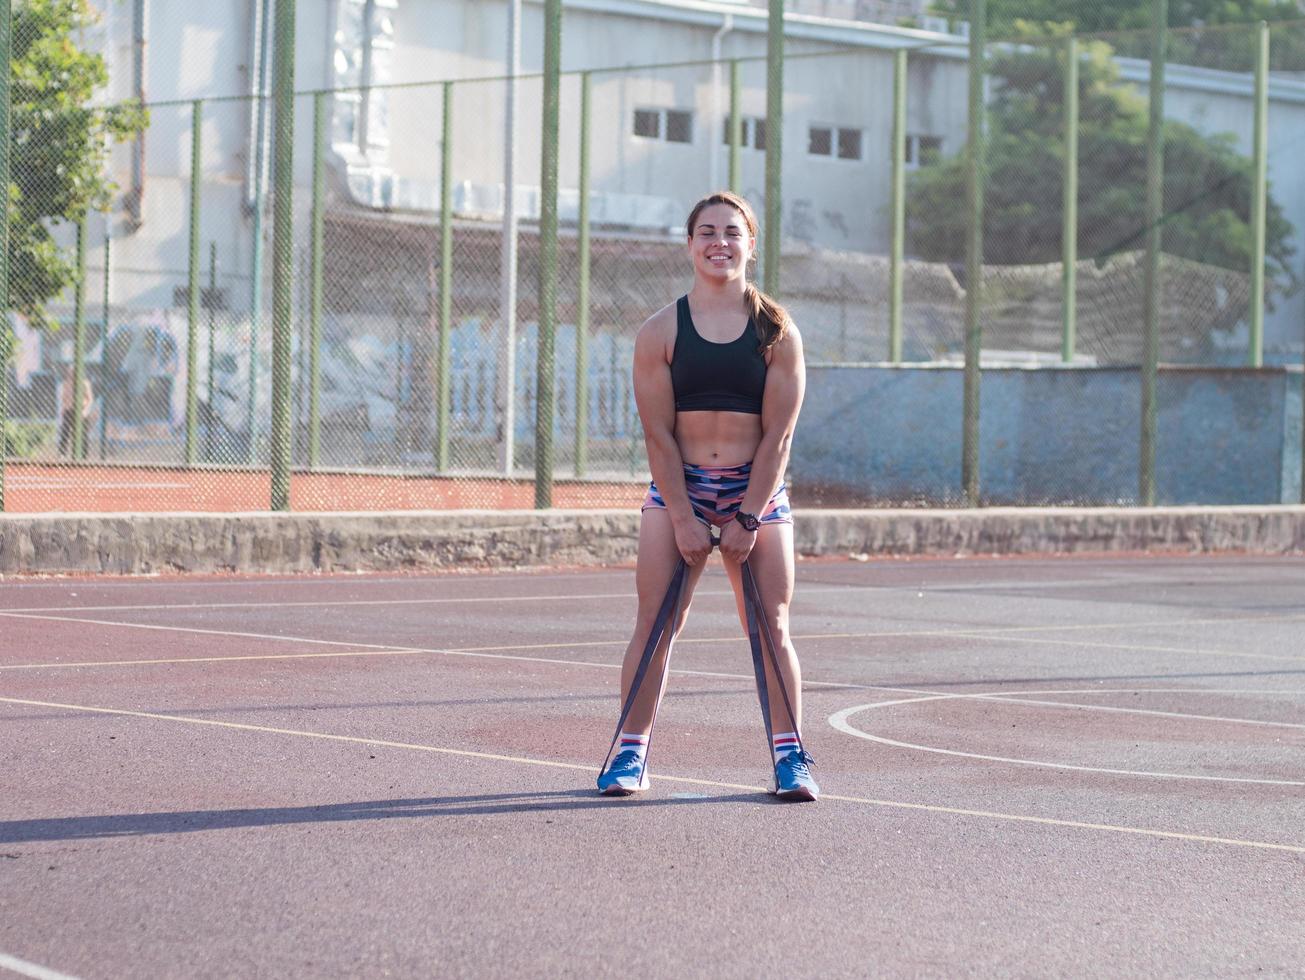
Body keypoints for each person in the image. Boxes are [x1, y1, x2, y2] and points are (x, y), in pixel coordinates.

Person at [596, 191, 817, 802]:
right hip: (680, 492)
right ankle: (629, 754)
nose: (720, 243)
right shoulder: (659, 331)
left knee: (770, 627)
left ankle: (790, 758)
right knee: (655, 624)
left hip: (757, 491)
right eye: (707, 232)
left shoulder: (778, 330)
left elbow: (780, 434)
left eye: (732, 232)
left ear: (750, 243)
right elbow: (658, 435)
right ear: (690, 244)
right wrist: (686, 516)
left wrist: (748, 513)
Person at [57, 362, 94, 458]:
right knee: (65, 432)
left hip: (82, 411)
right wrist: (63, 409)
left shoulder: (85, 383)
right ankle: (62, 454)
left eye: (73, 372)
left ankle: (83, 455)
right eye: (70, 372)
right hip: (69, 410)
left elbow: (90, 399)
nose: (71, 374)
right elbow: (64, 398)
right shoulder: (67, 383)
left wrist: (85, 411)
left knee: (83, 434)